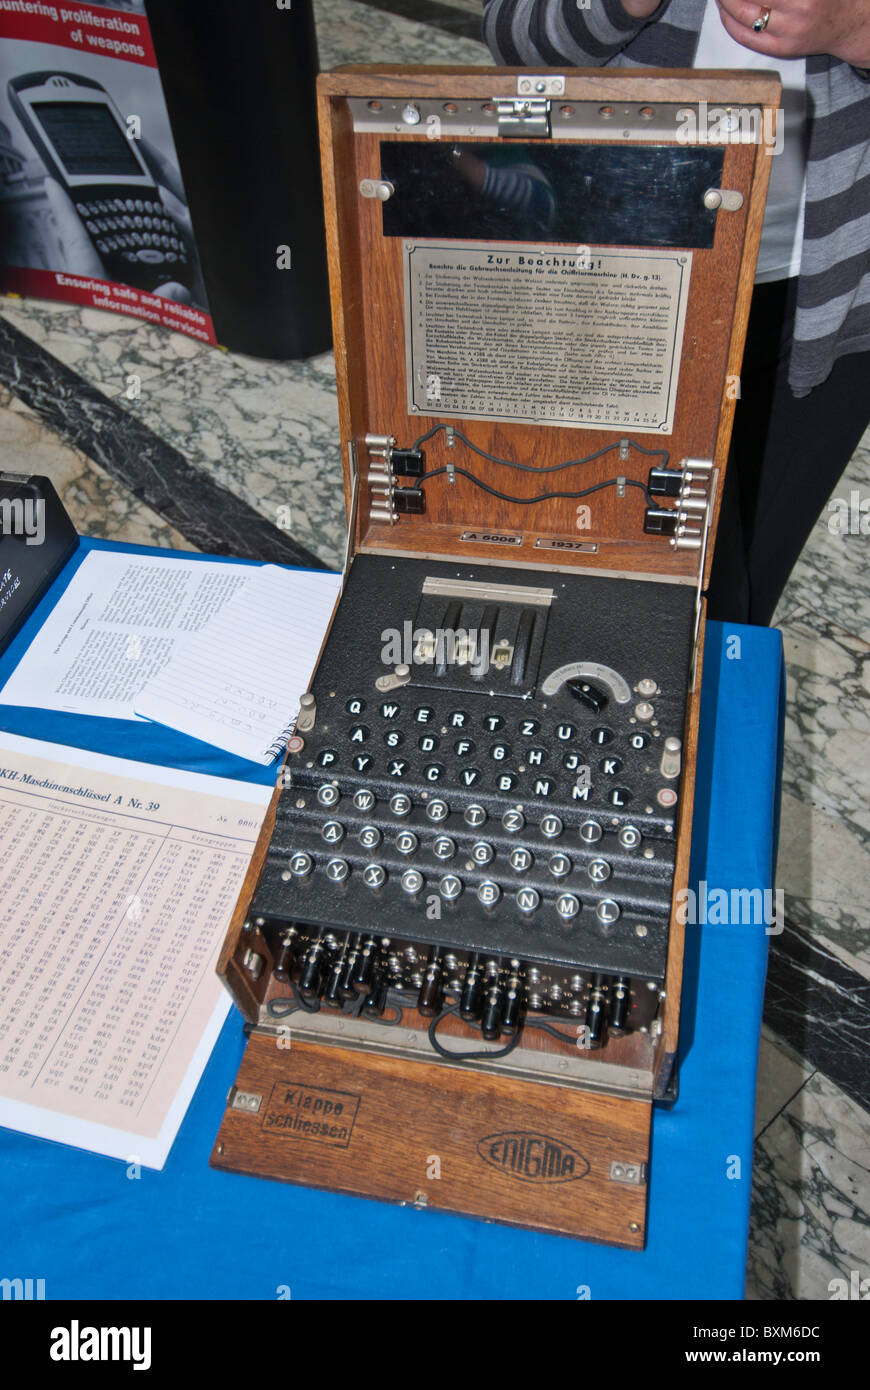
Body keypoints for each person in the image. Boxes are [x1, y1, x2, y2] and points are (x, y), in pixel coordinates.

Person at [482, 0, 870, 624]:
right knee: (613, 577)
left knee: (737, 601)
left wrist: (856, 28)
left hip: (837, 284)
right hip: (618, 280)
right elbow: (514, 40)